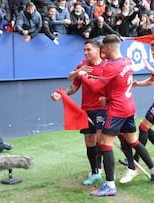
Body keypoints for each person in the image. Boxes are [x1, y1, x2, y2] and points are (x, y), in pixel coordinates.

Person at [78, 34, 154, 197]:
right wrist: (109, 97)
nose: (102, 52)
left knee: (104, 144)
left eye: (103, 48)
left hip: (116, 110)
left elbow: (95, 87)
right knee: (134, 142)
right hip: (128, 107)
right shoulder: (127, 61)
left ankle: (110, 186)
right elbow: (121, 85)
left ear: (108, 48)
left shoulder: (111, 66)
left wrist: (83, 76)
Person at [50, 40, 107, 185]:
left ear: (97, 50)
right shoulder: (83, 65)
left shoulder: (107, 65)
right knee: (89, 140)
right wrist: (62, 94)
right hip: (87, 109)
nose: (86, 53)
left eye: (88, 50)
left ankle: (105, 171)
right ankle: (95, 172)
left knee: (102, 140)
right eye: (84, 50)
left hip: (103, 109)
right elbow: (74, 86)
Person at [118, 39, 154, 184]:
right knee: (145, 128)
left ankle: (136, 160)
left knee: (143, 127)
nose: (153, 52)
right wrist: (138, 84)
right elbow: (152, 80)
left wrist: (150, 68)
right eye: (151, 50)